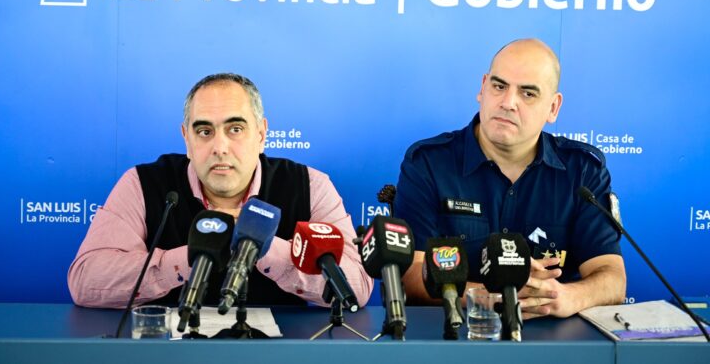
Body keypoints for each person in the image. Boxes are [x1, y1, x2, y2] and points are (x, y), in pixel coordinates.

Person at [68, 73, 372, 308]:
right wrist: (193, 255)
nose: (220, 147)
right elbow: (85, 280)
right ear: (187, 139)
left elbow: (356, 287)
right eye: (204, 131)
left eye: (235, 129)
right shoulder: (143, 183)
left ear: (261, 134)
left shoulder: (309, 185)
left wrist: (262, 247)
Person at [394, 39, 626, 319]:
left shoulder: (583, 171)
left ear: (553, 108)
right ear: (483, 88)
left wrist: (565, 297)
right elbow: (411, 277)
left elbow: (612, 278)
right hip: (457, 333)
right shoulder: (428, 164)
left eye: (528, 93)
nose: (508, 103)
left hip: (553, 334)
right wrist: (494, 298)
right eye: (499, 86)